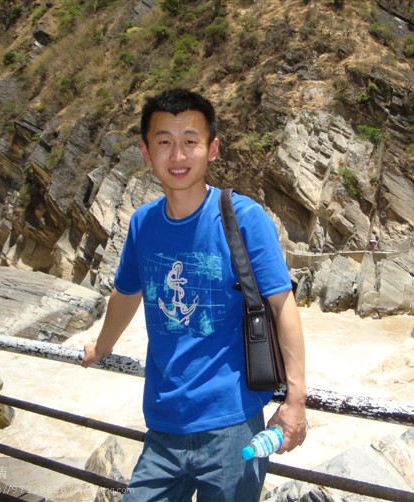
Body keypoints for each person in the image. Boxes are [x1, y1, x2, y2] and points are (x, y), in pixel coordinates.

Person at [81, 88, 307, 502]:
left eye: (190, 141)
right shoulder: (143, 224)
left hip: (233, 425)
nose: (178, 155)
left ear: (212, 149)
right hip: (163, 425)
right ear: (146, 152)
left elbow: (282, 305)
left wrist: (295, 400)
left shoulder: (244, 218)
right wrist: (102, 346)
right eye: (164, 142)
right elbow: (126, 294)